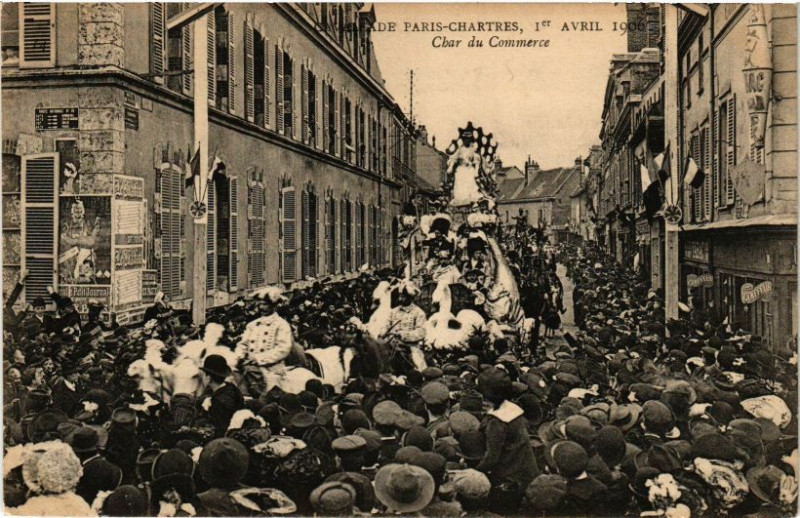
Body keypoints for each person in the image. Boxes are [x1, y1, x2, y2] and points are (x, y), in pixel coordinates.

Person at [476, 367, 539, 513]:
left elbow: (492, 457)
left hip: (509, 479)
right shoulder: (513, 410)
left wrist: (474, 471)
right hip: (527, 471)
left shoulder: (496, 422)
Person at [200, 354, 244, 432]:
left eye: (203, 374)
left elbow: (221, 429)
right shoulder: (231, 387)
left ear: (208, 377)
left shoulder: (217, 402)